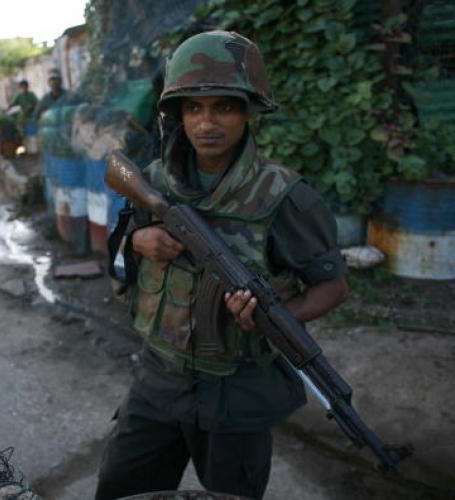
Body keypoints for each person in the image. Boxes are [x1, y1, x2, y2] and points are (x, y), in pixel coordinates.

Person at [95, 30, 349, 500]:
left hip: (238, 391)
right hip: (158, 379)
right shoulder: (152, 181)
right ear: (177, 114)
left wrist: (277, 320)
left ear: (249, 111)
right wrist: (137, 240)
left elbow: (332, 287)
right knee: (119, 488)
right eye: (194, 108)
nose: (207, 123)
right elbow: (113, 261)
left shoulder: (286, 197)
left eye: (224, 107)